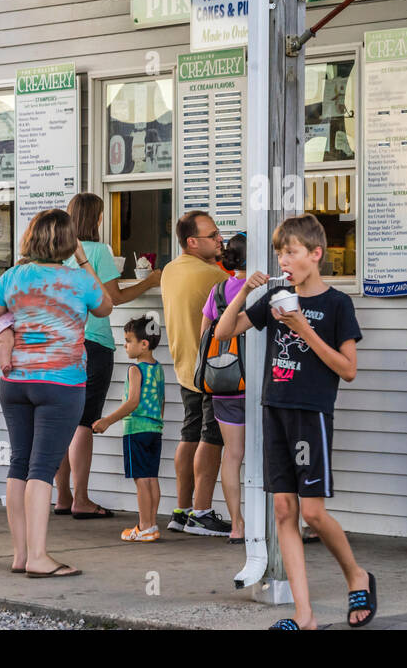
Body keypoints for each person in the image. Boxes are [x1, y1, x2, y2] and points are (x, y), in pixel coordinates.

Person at [215, 213, 373, 630]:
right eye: (281, 252)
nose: (284, 259)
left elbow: (348, 369)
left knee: (314, 513)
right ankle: (304, 616)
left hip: (312, 413)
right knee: (284, 510)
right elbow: (223, 331)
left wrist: (301, 326)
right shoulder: (275, 297)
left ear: (316, 255)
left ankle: (356, 575)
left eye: (292, 252)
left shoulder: (337, 304)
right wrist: (246, 291)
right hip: (275, 409)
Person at [0, 209, 111, 578]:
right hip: (61, 384)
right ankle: (38, 557)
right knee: (42, 468)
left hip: (16, 382)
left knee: (19, 463)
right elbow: (106, 306)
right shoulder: (79, 280)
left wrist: (7, 332)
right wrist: (82, 258)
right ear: (68, 242)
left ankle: (20, 555)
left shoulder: (14, 276)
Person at [53, 192, 162, 519]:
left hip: (61, 343)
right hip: (94, 342)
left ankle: (62, 495)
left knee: (62, 421)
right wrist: (152, 281)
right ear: (96, 219)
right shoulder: (97, 251)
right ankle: (82, 499)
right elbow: (114, 297)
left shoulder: (57, 254)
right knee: (85, 422)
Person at [160, 210, 231, 536]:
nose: (220, 240)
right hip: (214, 370)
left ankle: (182, 509)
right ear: (192, 241)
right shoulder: (213, 277)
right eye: (213, 235)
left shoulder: (170, 271)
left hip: (184, 367)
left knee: (189, 434)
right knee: (211, 438)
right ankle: (202, 513)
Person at [92, 317, 164, 542]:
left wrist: (107, 421)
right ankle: (151, 524)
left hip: (136, 430)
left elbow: (132, 402)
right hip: (154, 429)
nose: (125, 345)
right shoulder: (158, 368)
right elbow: (161, 401)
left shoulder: (136, 369)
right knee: (151, 477)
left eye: (128, 341)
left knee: (141, 480)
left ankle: (143, 526)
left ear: (144, 344)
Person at [199, 232, 247, 543]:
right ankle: (275, 520)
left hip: (224, 383)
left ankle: (237, 525)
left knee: (232, 455)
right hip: (258, 385)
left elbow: (204, 336)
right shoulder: (263, 288)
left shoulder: (218, 290)